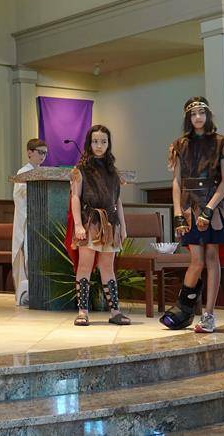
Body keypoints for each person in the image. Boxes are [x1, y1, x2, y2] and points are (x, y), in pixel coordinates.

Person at [160, 97, 224, 333]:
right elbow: (176, 181)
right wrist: (177, 212)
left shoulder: (222, 143)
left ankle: (208, 315)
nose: (198, 117)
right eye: (193, 113)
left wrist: (209, 209)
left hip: (214, 207)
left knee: (211, 258)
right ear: (188, 117)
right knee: (195, 260)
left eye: (201, 113)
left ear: (208, 115)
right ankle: (185, 308)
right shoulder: (179, 144)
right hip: (189, 208)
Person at [65, 125, 131, 327]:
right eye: (95, 141)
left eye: (103, 141)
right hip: (89, 220)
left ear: (109, 144)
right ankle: (83, 312)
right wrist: (78, 225)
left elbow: (117, 201)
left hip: (110, 223)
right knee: (85, 265)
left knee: (107, 267)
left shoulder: (113, 172)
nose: (99, 145)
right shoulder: (80, 170)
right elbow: (75, 197)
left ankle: (115, 312)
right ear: (89, 143)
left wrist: (123, 226)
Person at [11, 138, 48, 306]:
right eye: (40, 152)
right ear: (29, 153)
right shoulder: (23, 173)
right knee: (27, 256)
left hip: (41, 222)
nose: (43, 156)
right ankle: (25, 293)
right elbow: (20, 198)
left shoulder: (42, 172)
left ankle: (39, 292)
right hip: (27, 221)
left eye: (45, 153)